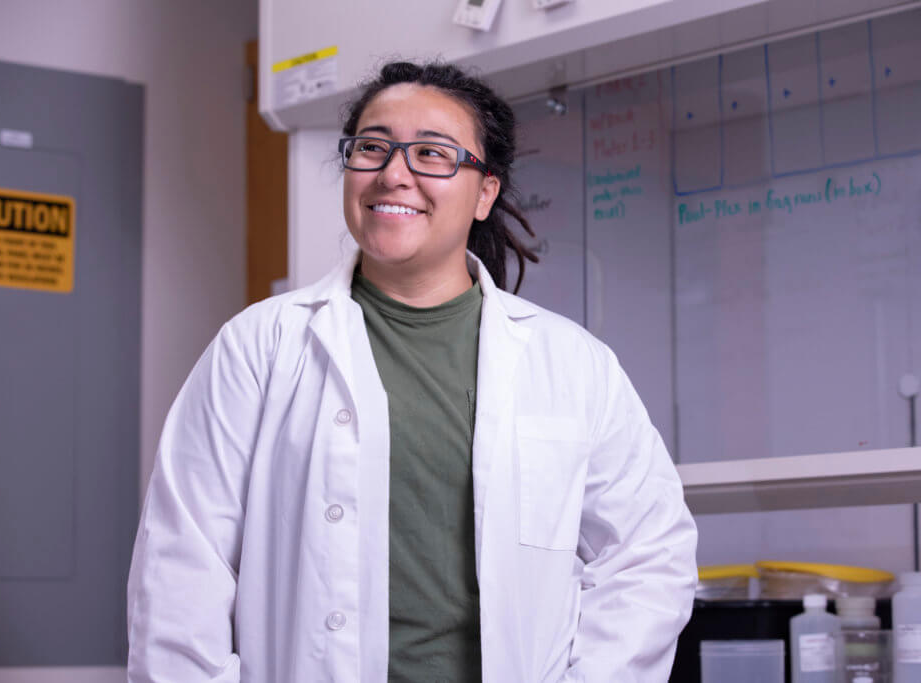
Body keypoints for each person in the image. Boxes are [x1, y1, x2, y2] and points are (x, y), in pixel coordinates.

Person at [127, 61, 697, 683]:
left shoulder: (573, 365)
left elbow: (649, 553)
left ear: (485, 193)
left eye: (432, 154)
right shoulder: (259, 346)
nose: (394, 174)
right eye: (373, 147)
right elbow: (182, 566)